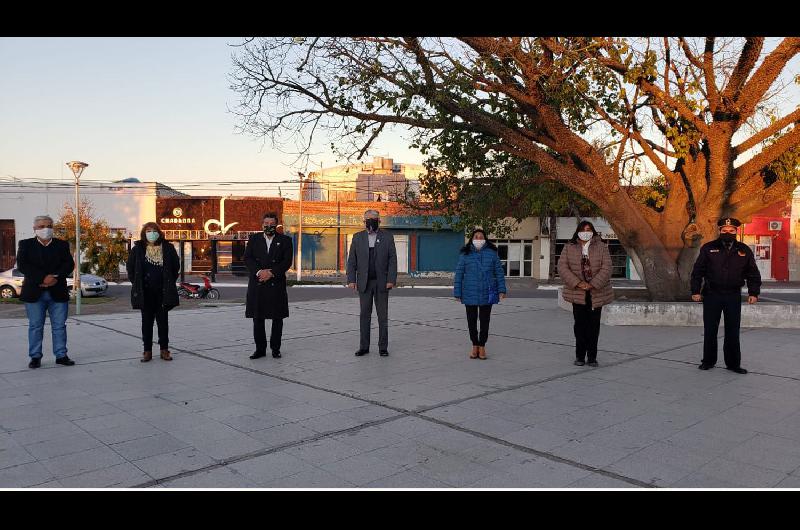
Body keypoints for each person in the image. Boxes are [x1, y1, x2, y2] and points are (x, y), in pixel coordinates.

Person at [691, 217, 761, 374]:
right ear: (720, 231)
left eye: (731, 231)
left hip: (733, 296)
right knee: (710, 330)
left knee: (733, 331)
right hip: (712, 295)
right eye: (725, 230)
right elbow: (698, 271)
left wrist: (753, 292)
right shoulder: (708, 248)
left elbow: (753, 274)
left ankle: (733, 364)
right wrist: (695, 291)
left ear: (736, 232)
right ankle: (708, 361)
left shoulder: (744, 250)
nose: (728, 233)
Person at [16, 215, 76, 369]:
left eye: (49, 226)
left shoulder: (61, 245)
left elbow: (69, 264)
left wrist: (54, 277)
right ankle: (35, 357)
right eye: (42, 226)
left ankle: (61, 355)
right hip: (35, 292)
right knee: (35, 326)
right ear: (35, 229)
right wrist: (42, 278)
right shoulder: (25, 244)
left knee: (59, 326)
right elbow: (23, 265)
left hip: (57, 291)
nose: (46, 229)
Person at [557, 220, 614, 367]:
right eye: (583, 229)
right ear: (578, 231)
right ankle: (580, 356)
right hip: (578, 293)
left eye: (589, 229)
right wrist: (578, 283)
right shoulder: (569, 247)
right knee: (580, 325)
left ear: (593, 231)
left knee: (594, 326)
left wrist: (593, 284)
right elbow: (562, 267)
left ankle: (592, 357)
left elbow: (607, 268)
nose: (586, 232)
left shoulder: (602, 247)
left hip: (596, 292)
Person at [346, 209, 397, 357]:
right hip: (364, 283)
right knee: (364, 316)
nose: (370, 221)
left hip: (382, 283)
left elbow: (392, 260)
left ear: (379, 221)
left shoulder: (387, 237)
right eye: (368, 219)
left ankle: (383, 347)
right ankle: (364, 346)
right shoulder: (357, 238)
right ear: (364, 221)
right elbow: (352, 261)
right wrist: (351, 280)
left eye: (373, 219)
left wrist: (391, 280)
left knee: (382, 316)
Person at [126, 222, 180, 362]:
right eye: (148, 231)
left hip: (162, 292)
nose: (152, 233)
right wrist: (137, 284)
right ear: (144, 233)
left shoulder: (168, 248)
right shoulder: (138, 249)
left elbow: (175, 268)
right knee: (147, 323)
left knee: (163, 323)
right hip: (145, 293)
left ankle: (164, 350)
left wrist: (168, 282)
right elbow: (131, 269)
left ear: (159, 232)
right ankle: (147, 351)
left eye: (154, 230)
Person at [244, 212, 293, 359]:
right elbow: (248, 258)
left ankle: (275, 348)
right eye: (266, 224)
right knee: (257, 318)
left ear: (276, 225)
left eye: (272, 224)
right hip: (258, 283)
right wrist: (260, 272)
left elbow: (287, 261)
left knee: (277, 318)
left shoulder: (285, 240)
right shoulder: (254, 239)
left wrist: (271, 273)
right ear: (262, 225)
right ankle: (260, 349)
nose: (269, 227)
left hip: (275, 284)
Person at [453, 229, 507, 360]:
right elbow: (459, 274)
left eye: (481, 237)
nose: (478, 239)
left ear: (485, 239)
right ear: (472, 239)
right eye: (476, 237)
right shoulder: (465, 254)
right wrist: (457, 292)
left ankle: (482, 345)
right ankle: (474, 345)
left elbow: (499, 273)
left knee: (484, 321)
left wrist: (502, 290)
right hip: (469, 293)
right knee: (471, 321)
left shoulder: (492, 253)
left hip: (487, 293)